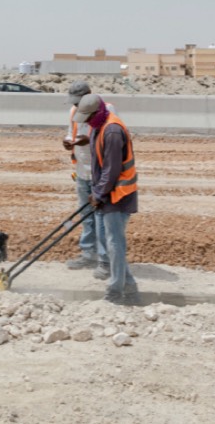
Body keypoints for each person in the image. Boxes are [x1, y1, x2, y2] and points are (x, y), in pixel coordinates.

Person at [73, 92, 139, 304]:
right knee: (112, 243)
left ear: (97, 112)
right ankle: (129, 287)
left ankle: (115, 291)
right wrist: (97, 191)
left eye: (88, 118)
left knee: (114, 244)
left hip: (119, 194)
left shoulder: (112, 131)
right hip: (108, 192)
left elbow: (111, 169)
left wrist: (99, 193)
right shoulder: (98, 126)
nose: (86, 123)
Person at [62, 81, 107, 274]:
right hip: (81, 171)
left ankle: (104, 259)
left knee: (102, 217)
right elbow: (70, 132)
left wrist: (87, 141)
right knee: (86, 215)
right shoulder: (73, 112)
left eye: (78, 101)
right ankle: (88, 254)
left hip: (99, 171)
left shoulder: (106, 110)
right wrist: (68, 141)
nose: (75, 105)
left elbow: (106, 138)